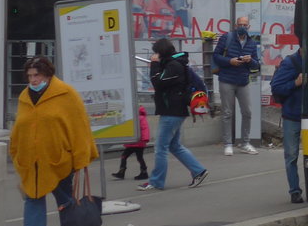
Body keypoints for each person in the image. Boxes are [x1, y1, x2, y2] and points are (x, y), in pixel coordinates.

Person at [6, 56, 100, 226]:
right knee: (32, 196)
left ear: (48, 74)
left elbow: (79, 127)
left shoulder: (66, 94)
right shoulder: (25, 97)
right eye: (30, 76)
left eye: (37, 75)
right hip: (32, 160)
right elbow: (19, 127)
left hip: (59, 159)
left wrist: (80, 156)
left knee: (64, 198)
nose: (33, 80)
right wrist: (15, 150)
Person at [138, 38, 208, 192]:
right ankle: (198, 171)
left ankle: (156, 181)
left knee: (160, 148)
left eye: (156, 52)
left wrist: (154, 64)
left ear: (161, 52)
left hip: (172, 111)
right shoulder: (174, 64)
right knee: (174, 146)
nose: (155, 55)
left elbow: (158, 83)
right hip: (174, 110)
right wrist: (158, 65)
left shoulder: (174, 66)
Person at [213, 16, 262, 156]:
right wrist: (230, 61)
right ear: (235, 25)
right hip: (226, 80)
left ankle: (245, 143)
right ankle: (228, 144)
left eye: (244, 25)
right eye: (240, 24)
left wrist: (250, 60)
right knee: (227, 113)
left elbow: (256, 65)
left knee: (247, 112)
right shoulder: (226, 38)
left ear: (248, 27)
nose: (242, 27)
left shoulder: (252, 43)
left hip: (243, 81)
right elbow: (216, 56)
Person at [271, 45, 305, 204]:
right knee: (291, 155)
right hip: (292, 116)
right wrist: (295, 83)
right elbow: (276, 86)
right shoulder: (290, 62)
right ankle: (295, 191)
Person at [112, 104, 150, 180]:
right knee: (128, 157)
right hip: (132, 142)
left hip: (138, 142)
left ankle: (143, 172)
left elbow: (145, 129)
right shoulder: (133, 118)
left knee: (135, 157)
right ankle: (123, 172)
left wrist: (145, 139)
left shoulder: (141, 118)